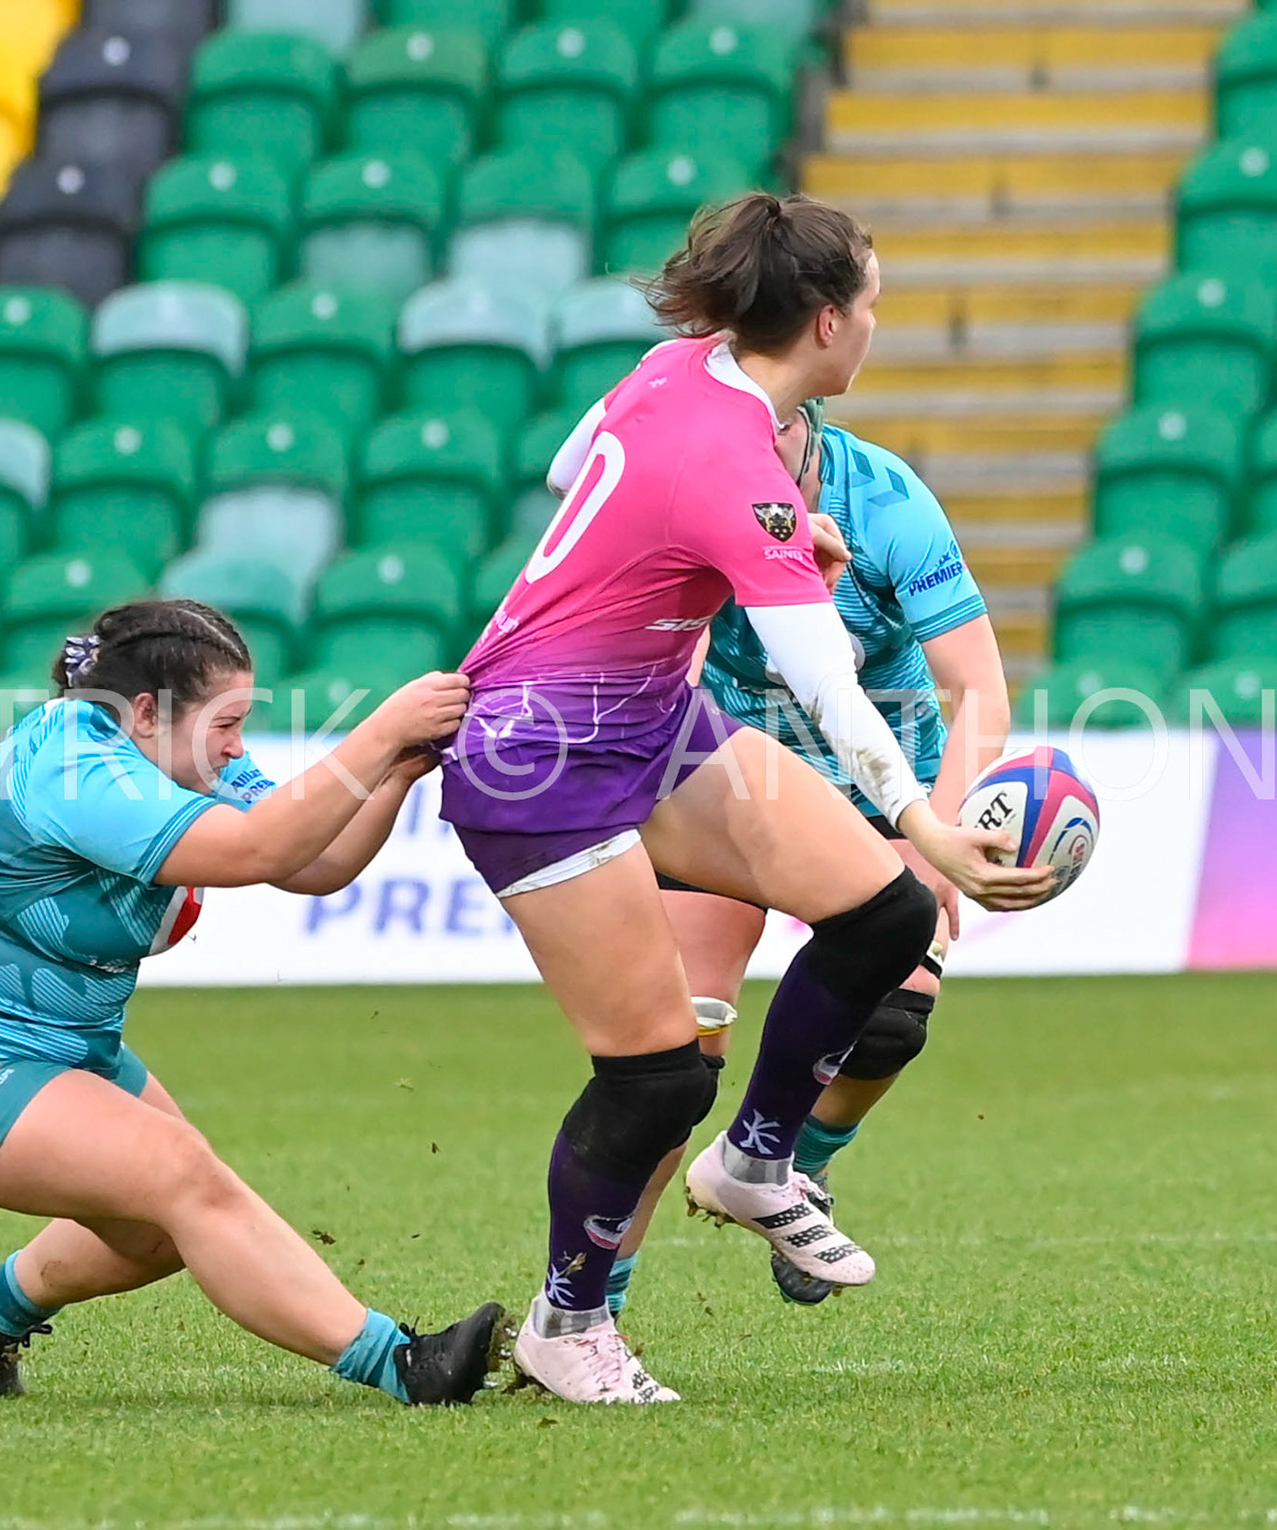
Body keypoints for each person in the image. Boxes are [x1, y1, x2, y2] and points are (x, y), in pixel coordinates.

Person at [441, 192, 1056, 1404]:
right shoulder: (743, 464)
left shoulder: (679, 372)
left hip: (659, 724)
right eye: (873, 305)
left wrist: (732, 540)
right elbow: (826, 680)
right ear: (828, 325)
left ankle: (760, 1162)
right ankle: (568, 1327)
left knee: (883, 916)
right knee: (661, 1073)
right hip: (542, 754)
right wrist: (929, 822)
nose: (877, 325)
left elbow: (580, 468)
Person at [0, 598, 503, 1406]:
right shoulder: (74, 768)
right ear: (148, 712)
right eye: (227, 720)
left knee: (162, 1234)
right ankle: (404, 1365)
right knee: (183, 1173)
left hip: (60, 1047)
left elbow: (313, 862)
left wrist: (395, 767)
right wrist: (380, 727)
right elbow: (259, 847)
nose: (239, 743)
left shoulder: (186, 762)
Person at [607, 401, 1011, 1314]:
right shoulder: (693, 499)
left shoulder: (888, 505)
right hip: (729, 777)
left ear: (809, 418)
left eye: (778, 427)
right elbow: (667, 670)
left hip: (885, 777)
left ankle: (792, 1165)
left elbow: (978, 685)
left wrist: (941, 840)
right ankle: (598, 1308)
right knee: (671, 1064)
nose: (756, 444)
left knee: (893, 1018)